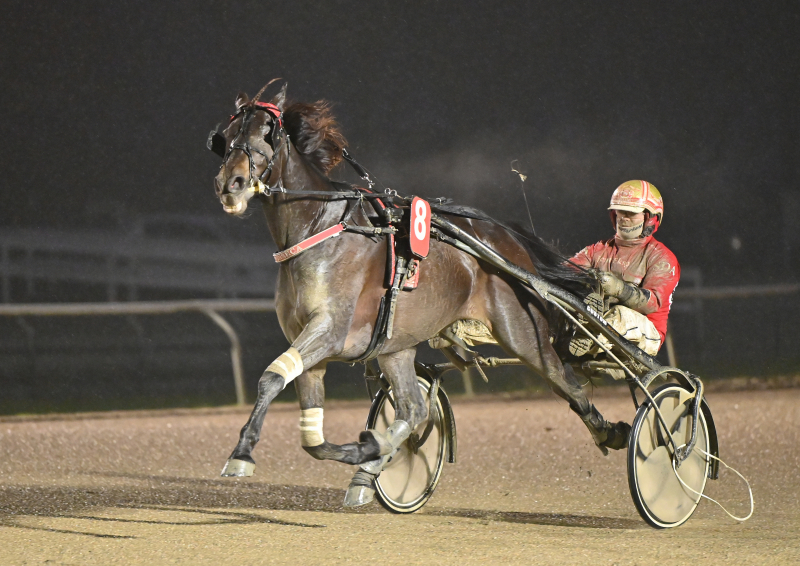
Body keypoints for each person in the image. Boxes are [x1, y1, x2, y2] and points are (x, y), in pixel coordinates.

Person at [569, 180, 680, 366]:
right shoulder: (598, 249)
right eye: (620, 212)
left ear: (650, 217)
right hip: (601, 320)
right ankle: (583, 329)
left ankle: (588, 333)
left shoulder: (662, 258)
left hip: (646, 333)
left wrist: (619, 289)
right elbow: (566, 271)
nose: (623, 218)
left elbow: (652, 303)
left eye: (630, 213)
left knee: (620, 314)